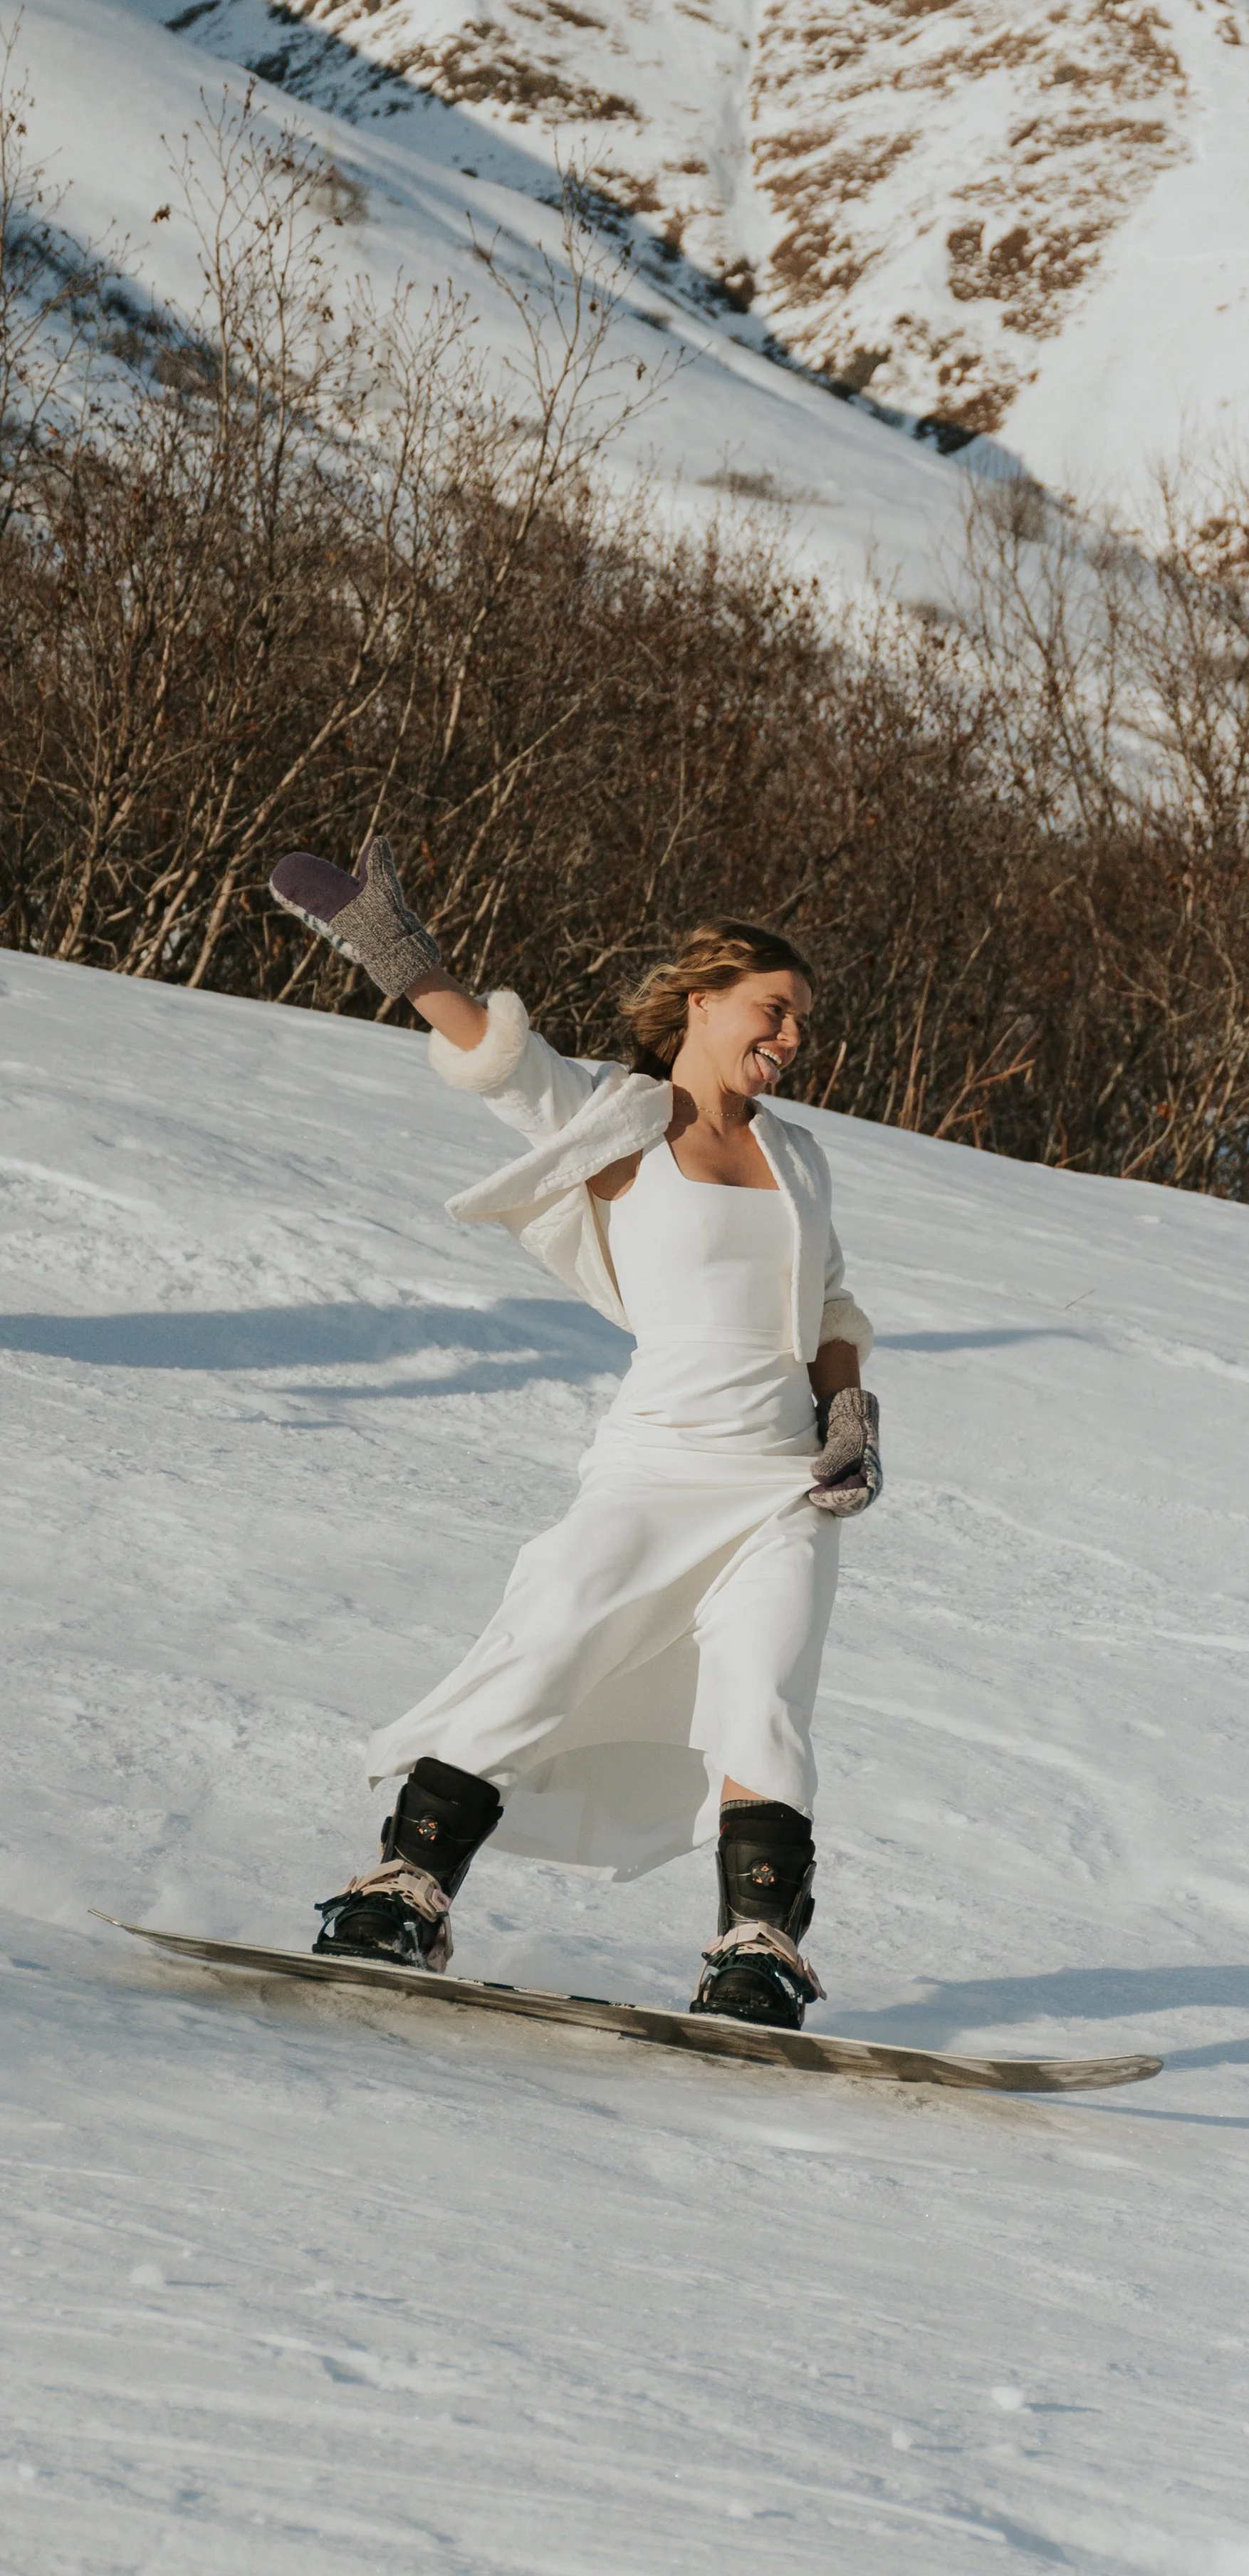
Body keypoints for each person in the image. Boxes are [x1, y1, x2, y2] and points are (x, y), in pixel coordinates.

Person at [266, 839, 882, 2030]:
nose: (793, 1037)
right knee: (546, 1644)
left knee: (762, 1695)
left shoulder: (796, 1157)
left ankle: (756, 1949)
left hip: (780, 1486)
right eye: (775, 1010)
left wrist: (848, 1409)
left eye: (803, 1020)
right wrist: (408, 961)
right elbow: (505, 1067)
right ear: (702, 1004)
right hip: (655, 1464)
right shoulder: (622, 1121)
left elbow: (836, 1305)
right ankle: (406, 1888)